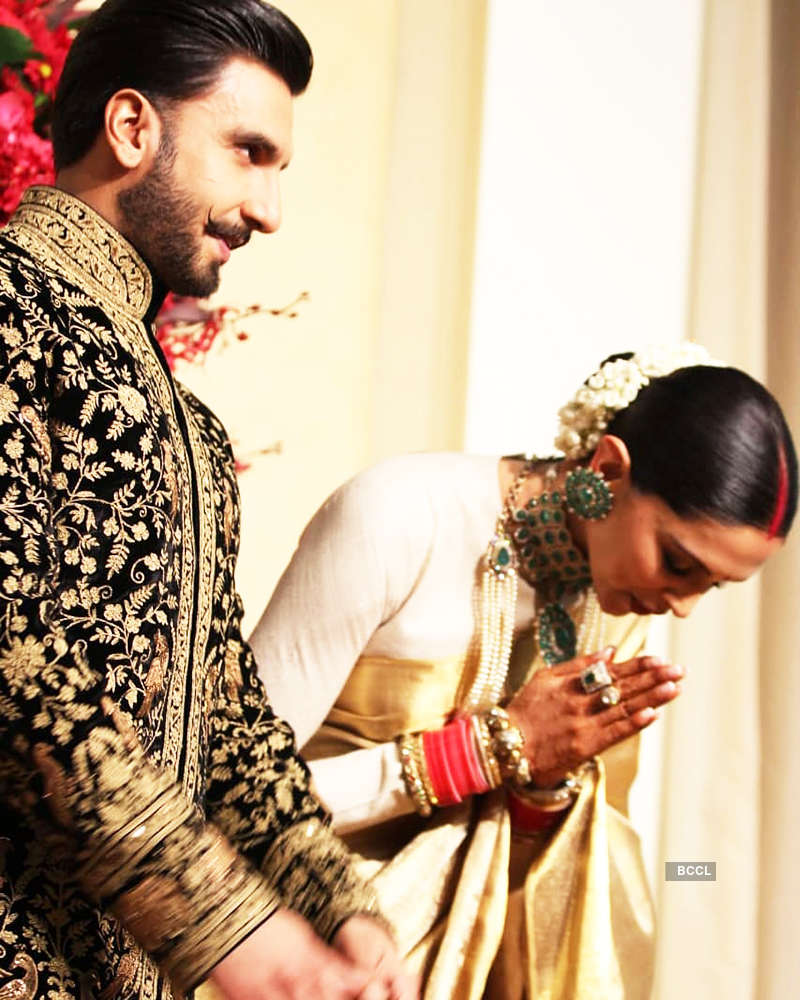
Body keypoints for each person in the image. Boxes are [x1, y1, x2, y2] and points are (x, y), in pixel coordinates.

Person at [0, 2, 416, 999]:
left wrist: (332, 903)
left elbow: (224, 706)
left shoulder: (190, 426)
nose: (268, 209)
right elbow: (9, 656)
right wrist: (234, 929)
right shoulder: (11, 313)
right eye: (248, 152)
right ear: (133, 126)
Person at [249, 345, 798, 999]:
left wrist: (543, 792)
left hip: (461, 969)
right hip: (290, 952)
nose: (680, 606)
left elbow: (578, 863)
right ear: (608, 468)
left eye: (711, 586)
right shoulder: (398, 518)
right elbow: (225, 788)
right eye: (679, 564)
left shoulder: (617, 602)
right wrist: (483, 751)